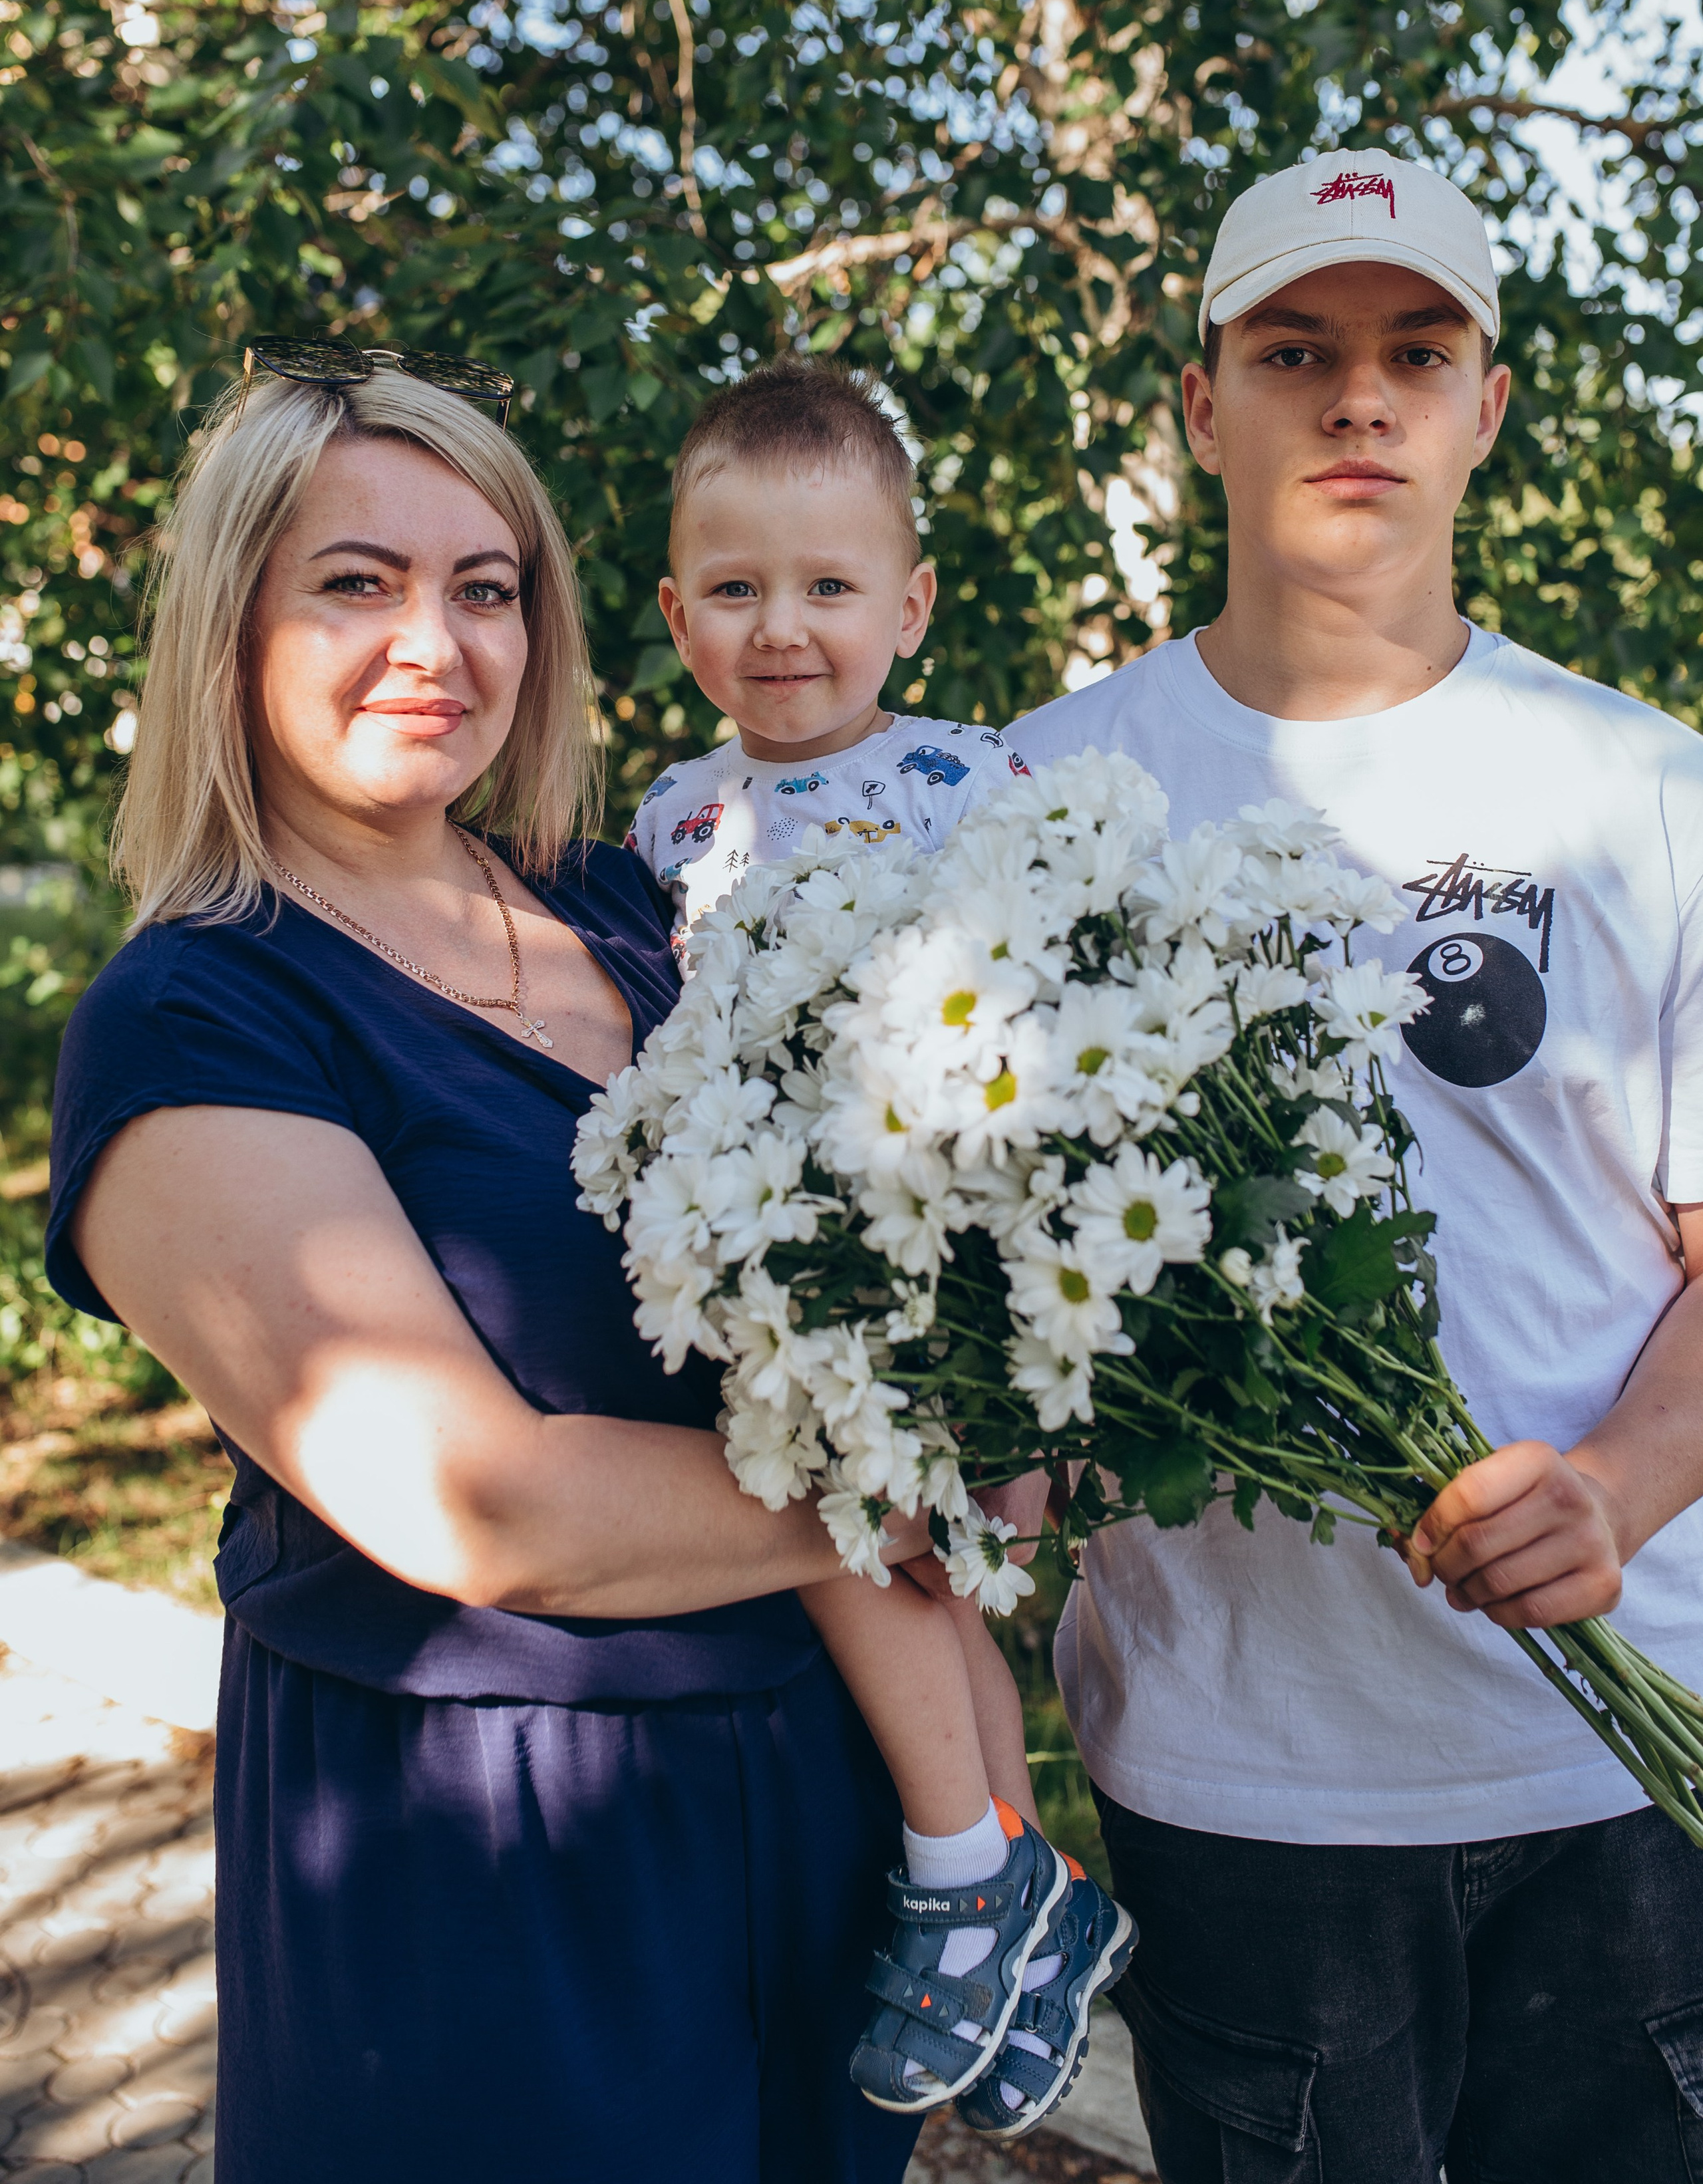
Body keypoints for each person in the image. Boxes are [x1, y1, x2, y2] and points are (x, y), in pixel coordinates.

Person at [47, 358, 937, 2184]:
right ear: (235, 622)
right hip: (493, 1854)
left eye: (487, 586)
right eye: (356, 582)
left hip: (812, 1801)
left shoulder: (631, 904)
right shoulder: (199, 1013)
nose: (433, 642)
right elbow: (485, 1507)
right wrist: (930, 1488)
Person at [1010, 151, 1703, 2181]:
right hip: (1251, 1790)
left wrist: (1618, 1487)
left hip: (1611, 1757)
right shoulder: (1044, 798)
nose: (1358, 398)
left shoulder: (1646, 788)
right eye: (1294, 349)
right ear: (1201, 400)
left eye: (1420, 350)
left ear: (1489, 408)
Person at [627, 356, 1134, 2137]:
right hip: (803, 1273)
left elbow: (1069, 1016)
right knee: (898, 1569)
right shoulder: (670, 822)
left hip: (963, 1252)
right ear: (679, 610)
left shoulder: (969, 783)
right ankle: (1017, 1894)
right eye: (741, 590)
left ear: (909, 608)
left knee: (885, 1552)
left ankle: (964, 1870)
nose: (786, 630)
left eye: (831, 586)